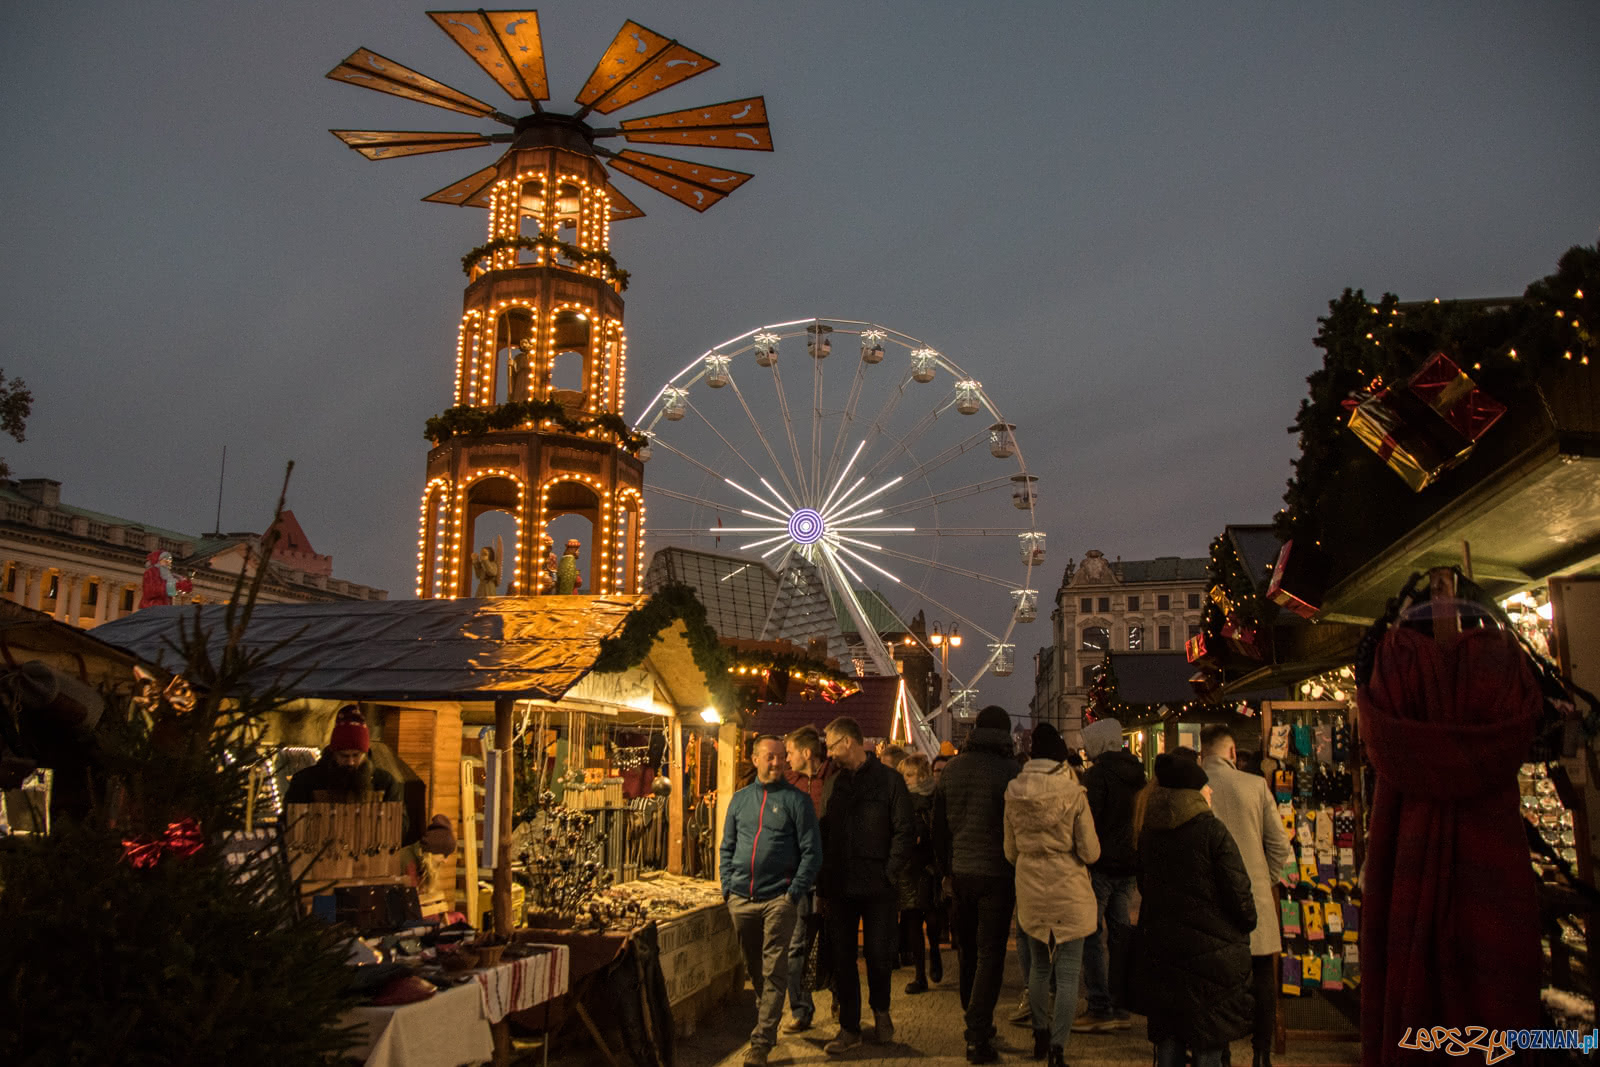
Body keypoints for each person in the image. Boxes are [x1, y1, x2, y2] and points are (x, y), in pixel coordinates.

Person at [1137, 754, 1256, 1067]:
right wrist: (1244, 925)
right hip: (1211, 961)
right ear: (1192, 793)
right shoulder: (1212, 832)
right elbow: (1240, 896)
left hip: (1163, 952)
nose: (1211, 792)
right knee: (1208, 1039)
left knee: (1169, 1038)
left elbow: (1144, 887)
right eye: (1205, 787)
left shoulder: (1150, 833)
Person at [719, 736, 823, 1067]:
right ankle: (767, 1017)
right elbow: (727, 845)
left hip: (779, 898)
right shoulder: (740, 800)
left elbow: (812, 851)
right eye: (770, 757)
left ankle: (761, 1041)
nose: (777, 763)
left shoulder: (798, 801)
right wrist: (727, 887)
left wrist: (793, 893)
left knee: (774, 968)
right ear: (754, 759)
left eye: (781, 757)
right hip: (742, 898)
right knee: (755, 968)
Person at [817, 716, 914, 1054]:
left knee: (878, 954)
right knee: (843, 957)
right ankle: (849, 1028)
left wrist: (889, 871)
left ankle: (881, 1012)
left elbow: (905, 830)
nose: (828, 754)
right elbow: (823, 831)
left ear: (848, 742)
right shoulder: (834, 784)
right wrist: (823, 880)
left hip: (877, 887)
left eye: (831, 746)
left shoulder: (889, 782)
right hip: (840, 884)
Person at [1005, 723, 1099, 1065]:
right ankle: (1059, 1047)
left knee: (1038, 968)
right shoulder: (1073, 794)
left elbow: (1010, 851)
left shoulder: (1014, 791)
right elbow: (1090, 851)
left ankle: (1039, 1035)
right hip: (1068, 886)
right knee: (1070, 969)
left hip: (1030, 886)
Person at [1201, 724, 1293, 1067]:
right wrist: (1263, 878)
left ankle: (1221, 1052)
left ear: (1203, 753)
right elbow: (1279, 845)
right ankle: (1261, 1052)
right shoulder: (1255, 785)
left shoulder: (1195, 786)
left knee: (1217, 980)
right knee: (1263, 975)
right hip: (1255, 895)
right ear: (1233, 753)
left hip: (1212, 899)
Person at [934, 705, 1021, 1064]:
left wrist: (946, 870)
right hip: (998, 873)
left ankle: (973, 1019)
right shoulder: (1010, 772)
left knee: (967, 951)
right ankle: (978, 1029)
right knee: (991, 954)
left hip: (961, 873)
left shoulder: (952, 770)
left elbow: (939, 828)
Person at [1075, 716, 1146, 1034]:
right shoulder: (1138, 774)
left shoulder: (1097, 776)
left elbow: (1089, 821)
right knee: (1120, 934)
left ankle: (1099, 1005)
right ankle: (1120, 1003)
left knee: (1091, 934)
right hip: (1128, 865)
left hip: (1101, 865)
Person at [781, 726, 832, 1033]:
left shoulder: (834, 779)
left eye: (790, 752)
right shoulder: (787, 783)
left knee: (834, 940)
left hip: (830, 874)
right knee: (796, 944)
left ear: (807, 753)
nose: (787, 759)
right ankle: (801, 1008)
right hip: (798, 874)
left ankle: (840, 997)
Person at [285, 706, 404, 806]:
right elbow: (288, 820)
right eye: (344, 756)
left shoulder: (385, 783)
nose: (350, 762)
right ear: (334, 753)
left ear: (365, 753)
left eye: (356, 755)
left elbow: (400, 824)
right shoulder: (305, 782)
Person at [896, 753, 943, 994]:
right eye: (905, 775)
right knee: (912, 919)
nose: (907, 779)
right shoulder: (900, 799)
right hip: (907, 866)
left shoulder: (934, 797)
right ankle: (920, 975)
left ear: (922, 775)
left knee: (932, 917)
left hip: (927, 864)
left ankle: (935, 950)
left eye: (911, 775)